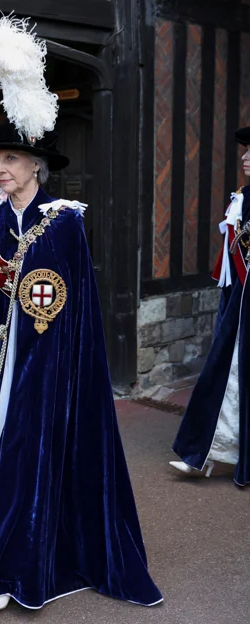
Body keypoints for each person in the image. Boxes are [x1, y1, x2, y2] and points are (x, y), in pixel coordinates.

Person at [0, 16, 163, 612]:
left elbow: (64, 301)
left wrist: (42, 362)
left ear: (37, 166)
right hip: (3, 361)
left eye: (13, 159)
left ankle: (7, 575)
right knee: (10, 460)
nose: (1, 169)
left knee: (24, 456)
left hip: (50, 361)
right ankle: (12, 562)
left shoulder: (64, 221)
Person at [170, 126, 250, 485]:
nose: (245, 157)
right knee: (225, 372)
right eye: (245, 151)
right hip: (242, 301)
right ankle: (203, 452)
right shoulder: (244, 196)